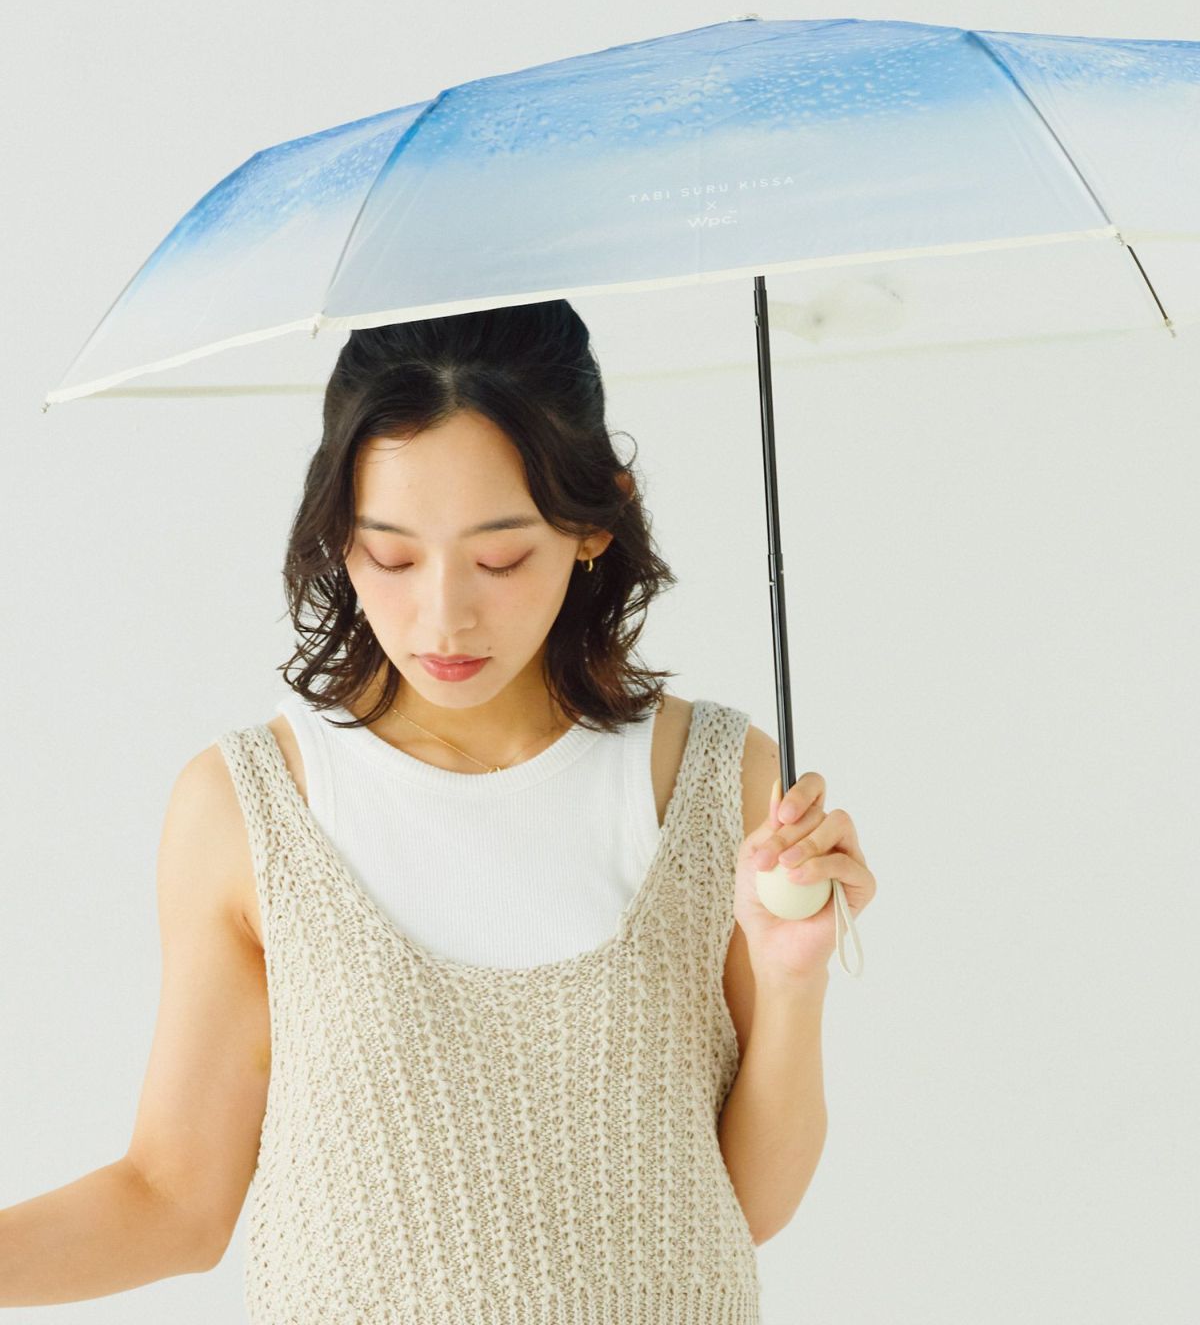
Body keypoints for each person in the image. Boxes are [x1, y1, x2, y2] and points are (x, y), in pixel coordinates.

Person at [0, 300, 800, 1318]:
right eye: (391, 556)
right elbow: (173, 1201)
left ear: (596, 519)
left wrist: (795, 976)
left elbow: (743, 1209)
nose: (443, 616)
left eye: (500, 559)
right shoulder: (252, 810)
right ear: (336, 533)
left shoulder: (716, 782)